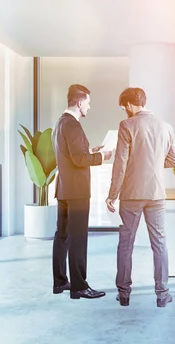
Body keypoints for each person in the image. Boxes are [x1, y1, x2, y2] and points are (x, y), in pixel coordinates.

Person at [105, 87, 175, 308]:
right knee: (159, 244)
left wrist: (112, 195)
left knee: (126, 244)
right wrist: (154, 164)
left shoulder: (127, 125)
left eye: (123, 107)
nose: (123, 111)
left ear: (129, 105)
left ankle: (125, 294)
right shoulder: (166, 127)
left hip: (131, 195)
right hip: (156, 195)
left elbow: (120, 165)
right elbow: (173, 160)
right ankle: (162, 294)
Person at [52, 84, 112, 300]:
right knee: (78, 238)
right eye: (88, 102)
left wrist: (91, 151)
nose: (89, 106)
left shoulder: (61, 123)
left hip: (64, 189)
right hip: (77, 190)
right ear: (79, 102)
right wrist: (102, 157)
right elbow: (79, 160)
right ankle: (79, 287)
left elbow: (72, 154)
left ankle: (60, 282)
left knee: (63, 236)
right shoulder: (73, 125)